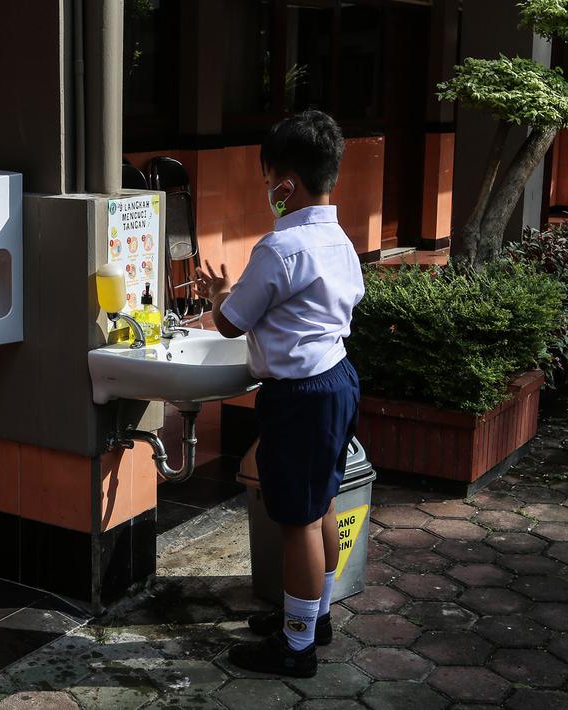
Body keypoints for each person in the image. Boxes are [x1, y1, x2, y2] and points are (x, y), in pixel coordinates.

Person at [194, 110, 364, 678]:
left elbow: (230, 323)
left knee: (295, 521)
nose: (267, 190)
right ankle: (313, 617)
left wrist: (218, 295)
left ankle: (297, 648)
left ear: (284, 183)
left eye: (268, 178)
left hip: (300, 397)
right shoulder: (339, 239)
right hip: (337, 382)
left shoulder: (279, 248)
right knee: (320, 508)